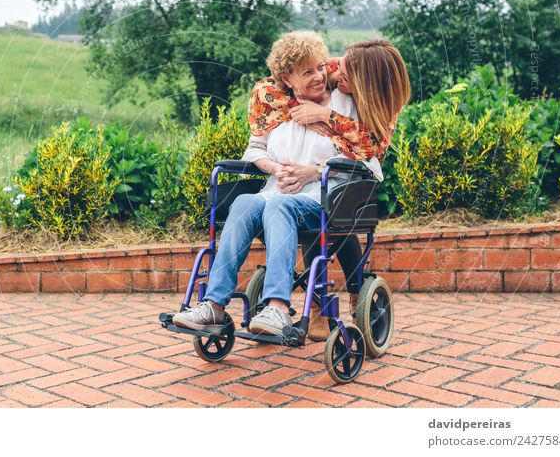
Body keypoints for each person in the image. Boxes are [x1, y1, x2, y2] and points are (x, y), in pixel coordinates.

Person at [173, 35, 410, 341]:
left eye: (321, 69)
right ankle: (213, 305)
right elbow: (257, 146)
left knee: (279, 205)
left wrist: (313, 168)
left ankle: (278, 308)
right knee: (244, 202)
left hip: (323, 198)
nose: (325, 75)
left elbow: (369, 158)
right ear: (287, 79)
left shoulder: (352, 105)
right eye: (308, 71)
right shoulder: (277, 107)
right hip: (277, 191)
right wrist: (276, 168)